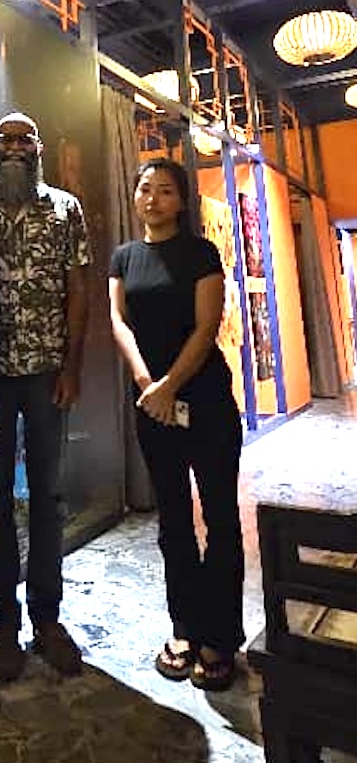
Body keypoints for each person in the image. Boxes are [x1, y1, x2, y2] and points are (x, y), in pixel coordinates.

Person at [0, 111, 90, 681]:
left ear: (37, 148)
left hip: (45, 372)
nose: (14, 146)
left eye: (24, 138)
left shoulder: (64, 209)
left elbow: (78, 289)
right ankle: (4, 623)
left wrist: (73, 366)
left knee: (48, 496)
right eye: (5, 138)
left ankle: (47, 618)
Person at [108, 157, 244, 692]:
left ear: (182, 201)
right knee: (173, 521)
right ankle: (185, 628)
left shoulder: (200, 253)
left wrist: (170, 386)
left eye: (165, 190)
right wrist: (148, 385)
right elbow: (119, 321)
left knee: (220, 516)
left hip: (204, 399)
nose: (153, 198)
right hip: (151, 405)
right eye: (145, 188)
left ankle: (220, 637)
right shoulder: (124, 257)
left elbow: (207, 326)